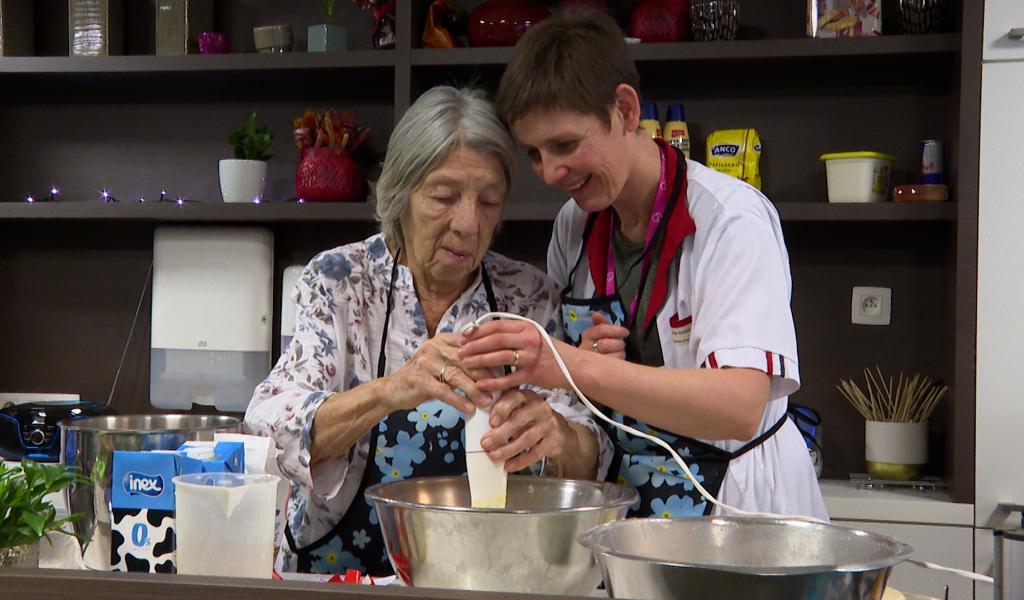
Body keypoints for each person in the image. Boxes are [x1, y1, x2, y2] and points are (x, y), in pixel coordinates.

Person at [458, 12, 828, 521]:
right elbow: (594, 393)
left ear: (626, 109)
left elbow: (739, 406)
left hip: (739, 505)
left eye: (565, 145)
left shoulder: (730, 219)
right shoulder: (574, 225)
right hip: (631, 506)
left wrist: (570, 365)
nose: (549, 173)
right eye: (534, 154)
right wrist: (582, 373)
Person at [244, 86, 611, 576]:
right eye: (443, 197)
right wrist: (390, 391)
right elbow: (267, 427)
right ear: (401, 194)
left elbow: (593, 458)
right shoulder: (339, 282)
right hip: (329, 575)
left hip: (479, 574)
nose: (468, 223)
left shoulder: (528, 298)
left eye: (488, 202)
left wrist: (559, 436)